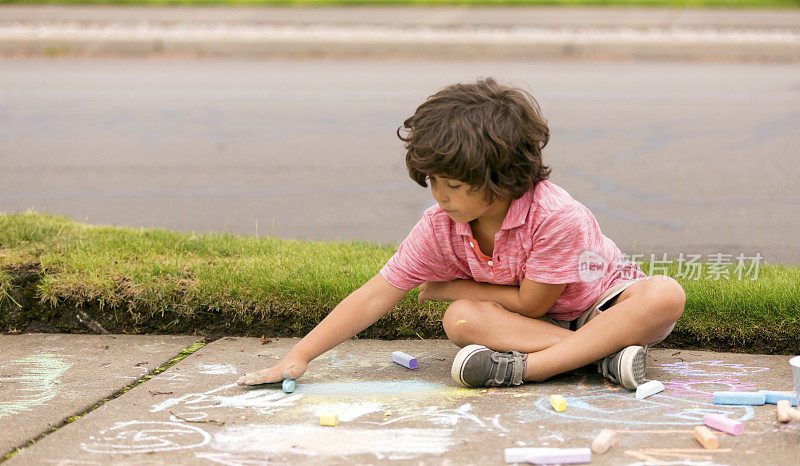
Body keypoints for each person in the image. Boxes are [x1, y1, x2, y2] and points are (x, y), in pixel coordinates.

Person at [237, 77, 685, 390]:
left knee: (664, 295)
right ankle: (603, 358)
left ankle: (534, 370)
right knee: (461, 320)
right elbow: (376, 293)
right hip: (529, 328)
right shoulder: (440, 225)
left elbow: (535, 302)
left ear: (504, 179)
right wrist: (300, 355)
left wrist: (453, 286)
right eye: (432, 181)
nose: (439, 196)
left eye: (452, 185)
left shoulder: (555, 215)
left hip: (598, 308)